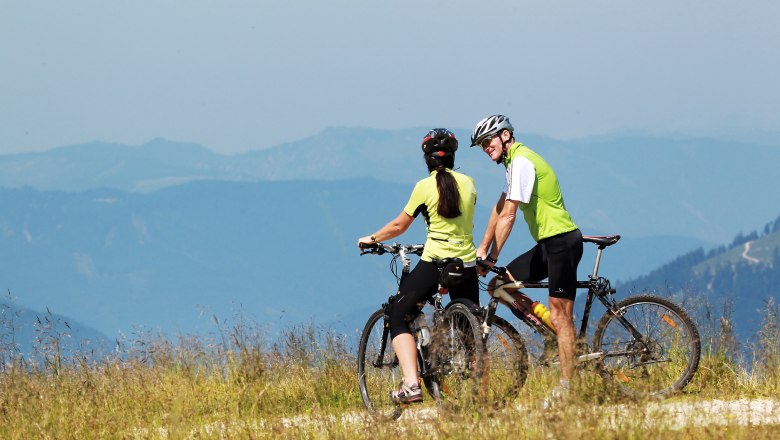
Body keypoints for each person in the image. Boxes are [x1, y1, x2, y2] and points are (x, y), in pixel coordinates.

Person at [358, 128, 480, 404]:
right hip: (467, 264)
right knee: (467, 326)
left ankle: (411, 384)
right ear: (452, 156)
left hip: (436, 263)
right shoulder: (470, 183)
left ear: (427, 159)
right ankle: (477, 391)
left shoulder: (424, 187)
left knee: (398, 313)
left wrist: (372, 238)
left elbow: (400, 225)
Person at [470, 115, 583, 408]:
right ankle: (552, 336)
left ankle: (568, 387)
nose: (485, 147)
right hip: (547, 244)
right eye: (481, 144)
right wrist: (482, 249)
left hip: (561, 242)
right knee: (498, 285)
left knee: (562, 316)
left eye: (488, 141)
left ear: (505, 136)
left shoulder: (521, 161)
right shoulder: (512, 164)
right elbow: (499, 207)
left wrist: (493, 255)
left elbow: (510, 214)